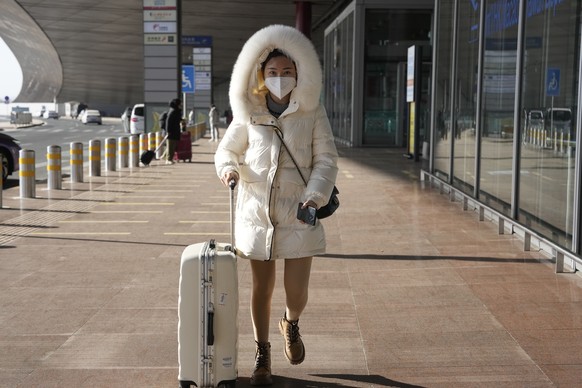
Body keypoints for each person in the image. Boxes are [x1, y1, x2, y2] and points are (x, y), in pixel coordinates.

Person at [214, 25, 338, 386]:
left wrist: (313, 196)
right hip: (256, 213)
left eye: (287, 72)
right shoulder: (249, 113)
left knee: (297, 292)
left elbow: (326, 159)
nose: (280, 78)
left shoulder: (312, 112)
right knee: (260, 288)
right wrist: (229, 170)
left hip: (300, 211)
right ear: (260, 77)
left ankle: (291, 322)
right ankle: (261, 352)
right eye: (273, 73)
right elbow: (227, 150)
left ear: (299, 74)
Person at [163, 98, 182, 165]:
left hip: (175, 131)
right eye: (180, 103)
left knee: (172, 146)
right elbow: (168, 122)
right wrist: (168, 131)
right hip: (171, 132)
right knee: (170, 146)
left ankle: (168, 158)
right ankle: (168, 159)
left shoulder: (176, 111)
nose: (181, 105)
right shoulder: (173, 111)